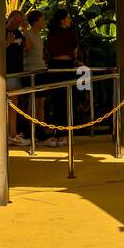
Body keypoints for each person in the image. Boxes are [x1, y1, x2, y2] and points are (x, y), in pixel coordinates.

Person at [43, 9, 79, 146]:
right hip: (64, 66)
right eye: (68, 18)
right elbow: (75, 50)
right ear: (62, 20)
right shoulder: (68, 33)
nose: (70, 20)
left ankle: (59, 132)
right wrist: (74, 59)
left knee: (58, 100)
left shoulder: (52, 33)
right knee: (64, 100)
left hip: (56, 66)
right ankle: (62, 132)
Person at [5, 9, 29, 146]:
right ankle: (11, 135)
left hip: (17, 71)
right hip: (7, 72)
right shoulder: (1, 30)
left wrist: (25, 30)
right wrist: (7, 43)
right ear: (9, 18)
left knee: (14, 104)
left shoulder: (19, 33)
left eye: (20, 22)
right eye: (15, 20)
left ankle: (12, 134)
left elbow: (28, 47)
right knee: (12, 104)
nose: (17, 24)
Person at [22, 9, 47, 132]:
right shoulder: (29, 34)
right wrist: (25, 31)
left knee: (41, 101)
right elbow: (28, 47)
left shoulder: (39, 35)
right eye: (42, 20)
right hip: (31, 71)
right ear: (36, 22)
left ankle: (41, 129)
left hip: (41, 69)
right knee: (32, 101)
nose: (44, 22)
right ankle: (30, 129)